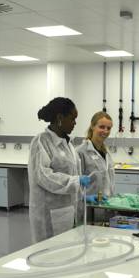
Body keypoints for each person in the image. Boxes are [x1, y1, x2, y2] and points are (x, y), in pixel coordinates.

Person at [28, 97, 91, 243]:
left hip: (68, 211)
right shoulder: (41, 142)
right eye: (73, 118)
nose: (75, 123)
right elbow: (43, 176)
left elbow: (73, 173)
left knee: (66, 252)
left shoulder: (68, 143)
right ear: (60, 118)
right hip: (49, 214)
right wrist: (76, 181)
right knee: (48, 254)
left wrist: (82, 196)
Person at [77, 111, 115, 202]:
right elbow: (74, 183)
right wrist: (84, 198)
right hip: (87, 206)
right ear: (92, 126)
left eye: (108, 128)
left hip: (106, 204)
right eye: (102, 127)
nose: (105, 131)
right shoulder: (80, 152)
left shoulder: (106, 152)